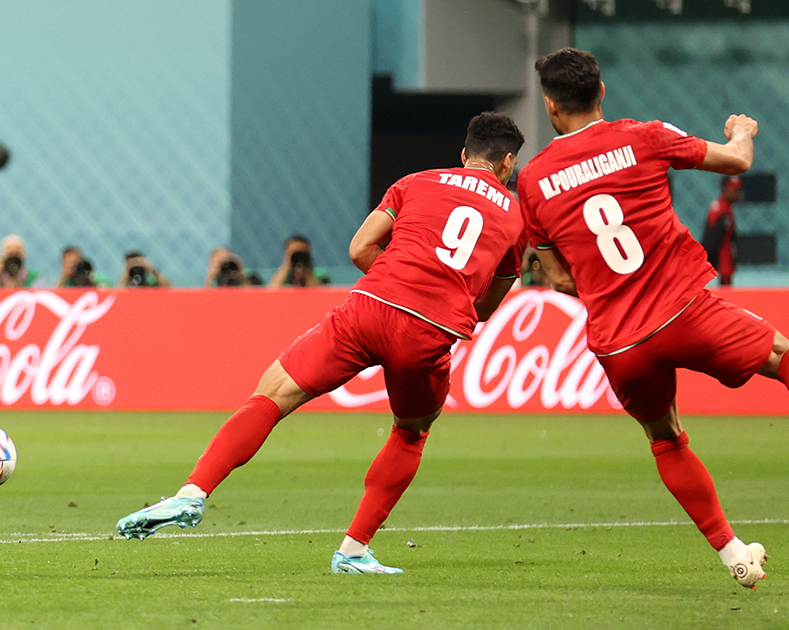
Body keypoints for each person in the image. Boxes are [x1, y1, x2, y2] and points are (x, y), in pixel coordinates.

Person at [116, 113, 527, 574]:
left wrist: (395, 279)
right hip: (428, 331)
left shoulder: (416, 181)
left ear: (464, 154)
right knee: (411, 433)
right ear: (507, 162)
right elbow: (488, 305)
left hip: (370, 308)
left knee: (271, 396)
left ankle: (192, 494)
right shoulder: (514, 215)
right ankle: (353, 551)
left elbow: (358, 250)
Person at [518, 48, 778, 589]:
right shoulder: (646, 136)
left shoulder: (535, 180)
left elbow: (560, 279)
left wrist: (607, 292)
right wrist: (743, 129)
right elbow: (737, 162)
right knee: (780, 355)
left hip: (618, 343)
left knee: (666, 440)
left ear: (549, 104)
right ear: (603, 92)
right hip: (683, 309)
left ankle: (733, 552)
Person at [701, 176, 742, 287]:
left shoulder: (726, 208)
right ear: (724, 188)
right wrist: (707, 262)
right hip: (720, 266)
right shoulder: (720, 210)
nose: (736, 194)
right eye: (734, 190)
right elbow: (711, 239)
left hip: (725, 265)